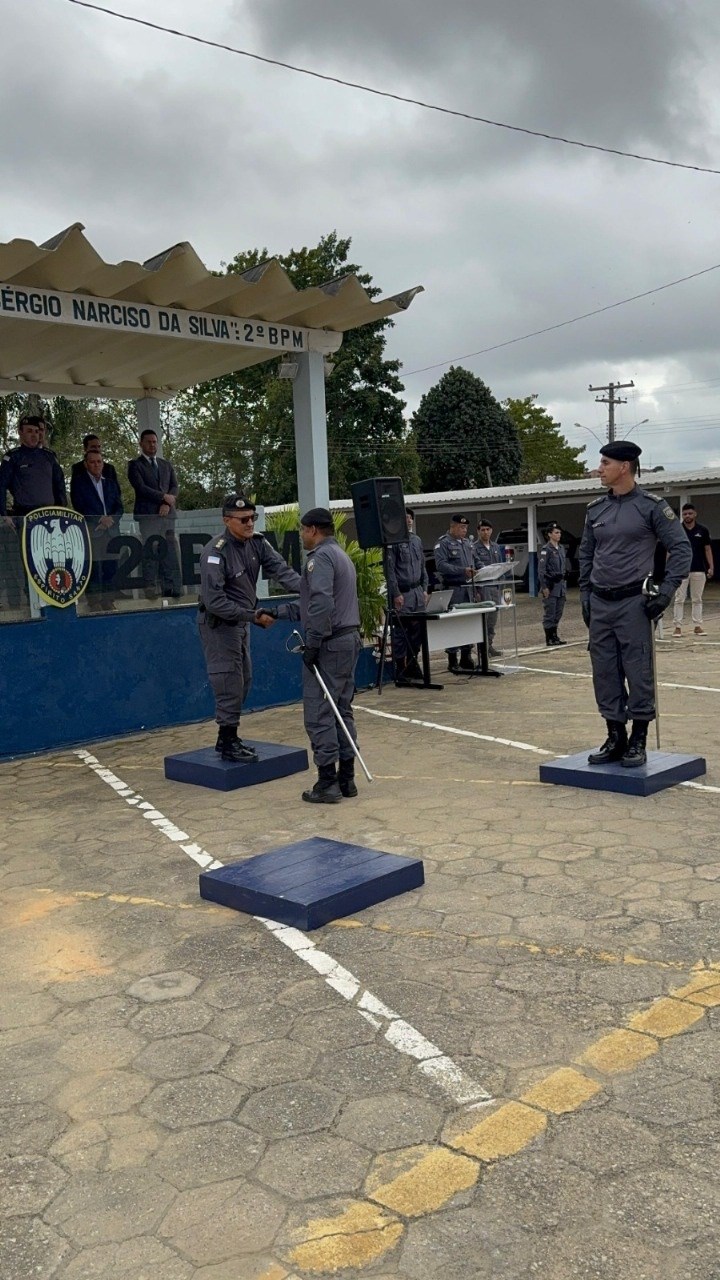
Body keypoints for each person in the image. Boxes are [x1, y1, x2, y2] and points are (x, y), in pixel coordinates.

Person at [579, 441, 691, 768]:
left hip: (633, 602)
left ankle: (638, 737)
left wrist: (667, 591)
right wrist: (585, 594)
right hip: (600, 602)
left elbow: (681, 549)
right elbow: (586, 554)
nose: (599, 469)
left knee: (638, 670)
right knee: (604, 671)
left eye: (605, 463)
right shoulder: (595, 509)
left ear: (624, 466)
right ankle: (615, 735)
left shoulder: (652, 507)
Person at [260, 507, 362, 804]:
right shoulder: (340, 556)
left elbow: (320, 605)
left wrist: (314, 643)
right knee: (341, 710)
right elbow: (309, 604)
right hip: (347, 639)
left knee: (319, 712)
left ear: (313, 530)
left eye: (303, 530)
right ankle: (347, 779)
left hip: (329, 643)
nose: (302, 535)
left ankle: (327, 782)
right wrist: (276, 612)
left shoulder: (320, 559)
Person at [198, 494, 302, 763]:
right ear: (226, 520)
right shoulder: (215, 552)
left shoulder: (257, 543)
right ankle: (228, 741)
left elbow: (281, 570)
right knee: (228, 681)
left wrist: (312, 589)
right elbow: (214, 601)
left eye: (252, 518)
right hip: (221, 625)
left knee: (244, 680)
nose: (249, 523)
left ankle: (227, 736)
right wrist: (252, 616)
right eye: (243, 519)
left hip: (242, 623)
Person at [127, 429, 180, 598]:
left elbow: (174, 486)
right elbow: (141, 488)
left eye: (154, 441)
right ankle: (149, 586)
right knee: (151, 549)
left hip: (167, 515)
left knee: (168, 551)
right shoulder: (135, 465)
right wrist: (162, 497)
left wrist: (166, 502)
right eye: (149, 441)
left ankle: (170, 586)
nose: (152, 444)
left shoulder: (166, 464)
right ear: (141, 443)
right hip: (148, 516)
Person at [70, 448, 124, 610]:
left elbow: (119, 507)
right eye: (92, 462)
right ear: (86, 464)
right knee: (94, 567)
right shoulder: (79, 483)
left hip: (111, 530)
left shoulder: (110, 483)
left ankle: (108, 599)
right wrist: (99, 518)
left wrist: (110, 520)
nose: (96, 465)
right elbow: (79, 506)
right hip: (93, 530)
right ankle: (94, 601)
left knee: (111, 566)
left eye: (99, 462)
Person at [0, 414, 67, 529]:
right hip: (25, 515)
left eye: (37, 431)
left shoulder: (49, 456)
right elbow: (1, 485)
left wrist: (62, 510)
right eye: (29, 431)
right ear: (20, 432)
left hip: (50, 515)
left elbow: (59, 485)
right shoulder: (13, 457)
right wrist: (3, 514)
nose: (34, 435)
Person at [386, 506, 429, 684]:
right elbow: (390, 571)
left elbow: (422, 567)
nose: (409, 520)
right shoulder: (393, 542)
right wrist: (396, 593)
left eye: (410, 517)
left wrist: (425, 588)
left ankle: (413, 663)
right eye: (405, 517)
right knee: (401, 633)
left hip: (417, 592)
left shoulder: (417, 540)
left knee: (418, 630)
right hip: (403, 593)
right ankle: (400, 668)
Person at [435, 514, 475, 672]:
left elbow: (474, 562)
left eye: (466, 528)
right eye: (461, 527)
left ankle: (466, 655)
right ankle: (452, 659)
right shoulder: (443, 543)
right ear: (452, 527)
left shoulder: (467, 543)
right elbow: (441, 565)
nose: (464, 530)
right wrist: (462, 571)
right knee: (454, 624)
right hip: (453, 589)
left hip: (468, 589)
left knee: (468, 622)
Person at [672, 502, 713, 637]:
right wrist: (669, 566)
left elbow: (707, 549)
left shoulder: (703, 530)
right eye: (685, 514)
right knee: (679, 599)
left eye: (690, 513)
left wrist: (711, 566)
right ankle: (677, 627)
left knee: (697, 599)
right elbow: (670, 549)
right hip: (681, 569)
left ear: (695, 514)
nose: (687, 516)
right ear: (682, 515)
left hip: (698, 569)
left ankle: (697, 625)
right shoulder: (677, 529)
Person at [473, 518, 504, 658]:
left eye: (488, 529)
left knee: (493, 619)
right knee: (484, 619)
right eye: (482, 530)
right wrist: (476, 591)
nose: (485, 532)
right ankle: (482, 648)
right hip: (483, 587)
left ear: (491, 531)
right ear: (478, 531)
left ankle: (489, 645)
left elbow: (501, 567)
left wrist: (501, 588)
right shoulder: (474, 548)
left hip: (495, 587)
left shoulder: (496, 547)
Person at [538, 522, 568, 646]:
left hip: (560, 586)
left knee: (558, 612)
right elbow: (541, 570)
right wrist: (544, 587)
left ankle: (555, 636)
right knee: (550, 612)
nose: (559, 535)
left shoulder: (561, 548)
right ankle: (549, 637)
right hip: (551, 586)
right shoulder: (546, 550)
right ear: (549, 534)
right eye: (556, 532)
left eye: (560, 532)